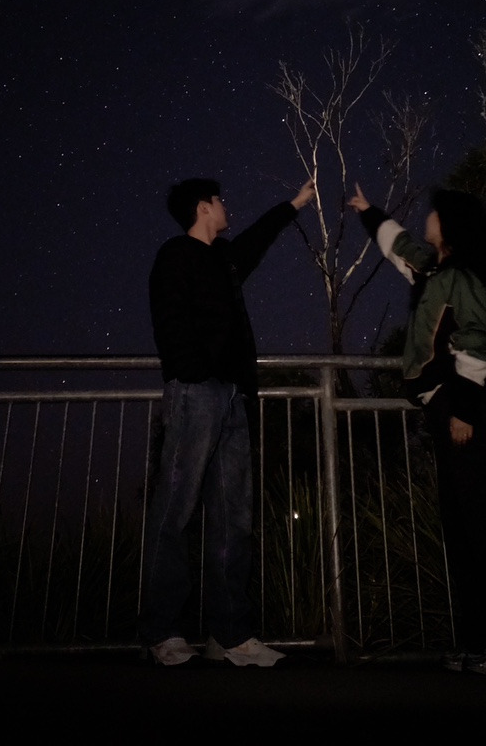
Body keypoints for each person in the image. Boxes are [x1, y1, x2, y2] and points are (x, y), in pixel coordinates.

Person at [347, 182, 486, 676]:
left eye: (434, 213)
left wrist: (465, 411)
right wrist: (369, 212)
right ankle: (483, 642)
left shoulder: (462, 277)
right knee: (463, 530)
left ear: (451, 224)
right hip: (445, 408)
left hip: (461, 408)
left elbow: (476, 340)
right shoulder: (436, 270)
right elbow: (400, 247)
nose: (427, 218)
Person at [139, 174, 316, 667]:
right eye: (218, 200)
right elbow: (168, 319)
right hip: (196, 393)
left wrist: (295, 203)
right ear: (203, 208)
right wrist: (193, 373)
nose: (225, 206)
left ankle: (231, 635)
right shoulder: (175, 254)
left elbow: (257, 239)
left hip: (235, 396)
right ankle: (161, 631)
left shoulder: (224, 257)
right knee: (174, 512)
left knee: (233, 517)